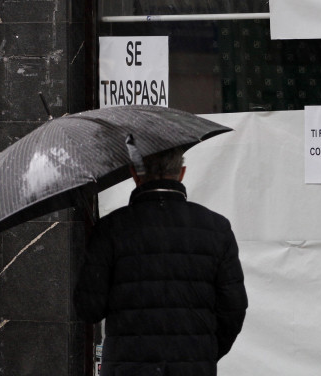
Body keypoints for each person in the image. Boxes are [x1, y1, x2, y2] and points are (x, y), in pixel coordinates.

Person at [74, 147, 247, 376]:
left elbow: (89, 309)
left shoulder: (110, 229)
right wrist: (203, 353)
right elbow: (233, 309)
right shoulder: (217, 228)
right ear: (182, 173)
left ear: (135, 174)